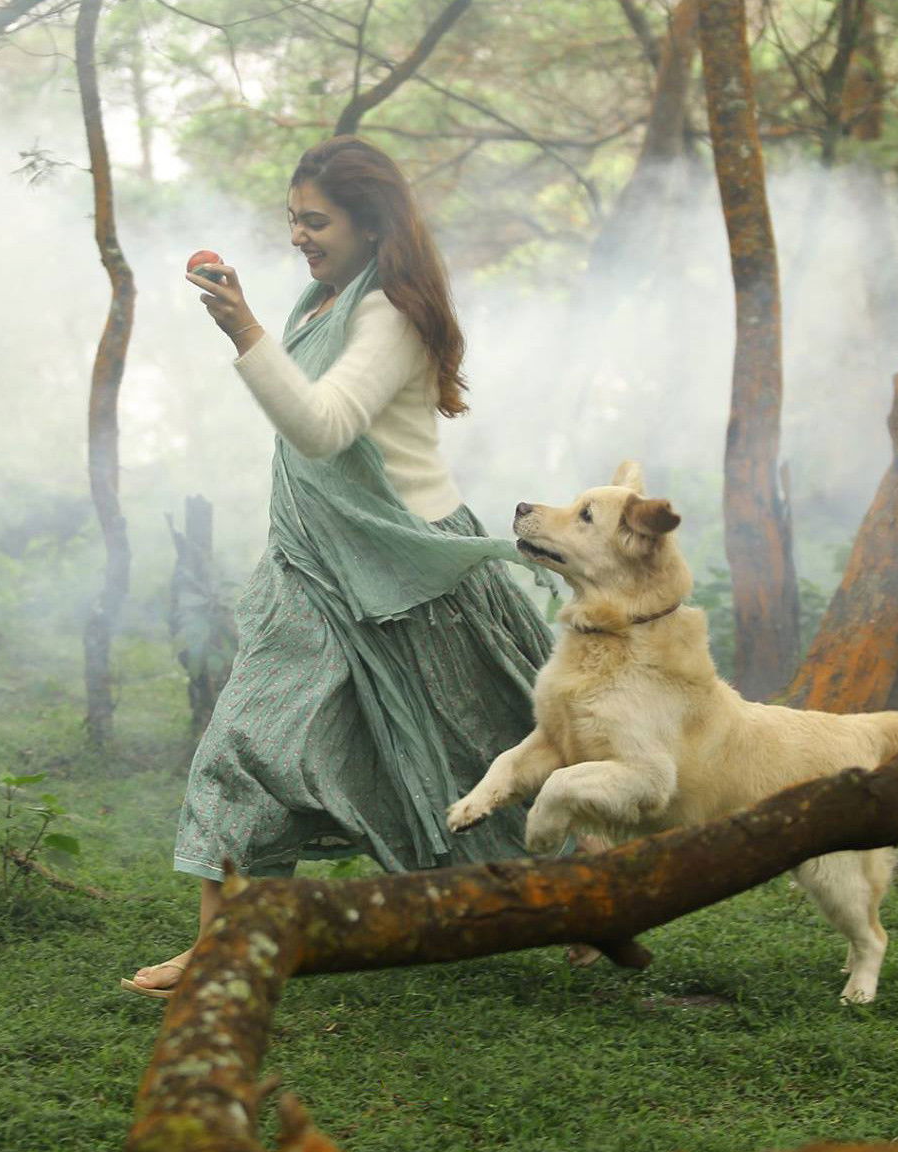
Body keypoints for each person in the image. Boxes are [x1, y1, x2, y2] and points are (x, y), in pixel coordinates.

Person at [122, 136, 554, 997]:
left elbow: (323, 427)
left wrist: (242, 329)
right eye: (292, 219)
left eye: (315, 221)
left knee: (490, 757)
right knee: (243, 747)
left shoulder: (389, 313)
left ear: (371, 224)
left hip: (410, 577)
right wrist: (252, 321)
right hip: (315, 574)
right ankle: (227, 949)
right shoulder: (322, 300)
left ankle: (595, 901)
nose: (298, 237)